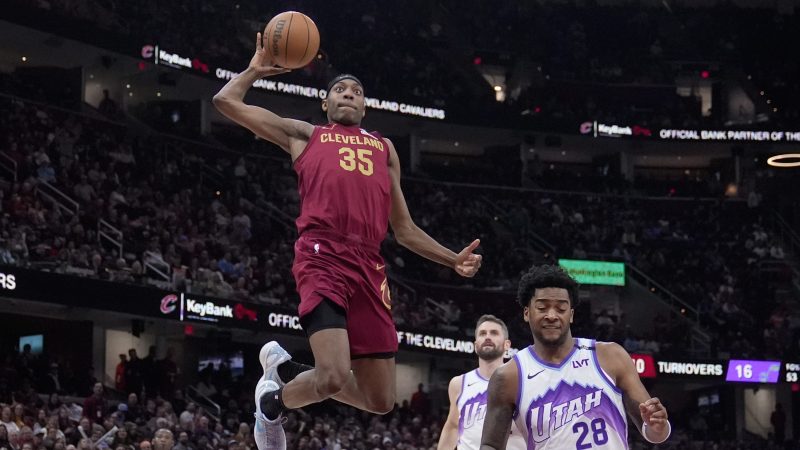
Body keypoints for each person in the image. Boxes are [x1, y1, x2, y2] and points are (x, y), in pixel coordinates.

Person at [213, 23, 483, 450]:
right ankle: (271, 406)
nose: (350, 94)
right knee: (335, 376)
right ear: (325, 103)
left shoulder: (384, 149)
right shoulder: (305, 136)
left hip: (369, 265)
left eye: (357, 92)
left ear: (365, 107)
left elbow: (405, 229)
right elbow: (225, 101)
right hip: (322, 255)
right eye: (341, 90)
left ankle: (284, 372)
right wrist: (255, 70)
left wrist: (452, 259)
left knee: (380, 400)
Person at [480, 264, 670, 449]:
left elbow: (653, 430)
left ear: (571, 315)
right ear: (527, 313)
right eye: (542, 308)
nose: (552, 315)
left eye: (561, 309)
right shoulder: (508, 377)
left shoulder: (611, 356)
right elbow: (490, 445)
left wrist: (659, 426)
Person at [437, 315, 524, 450]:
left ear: (507, 345)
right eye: (483, 334)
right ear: (476, 345)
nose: (487, 337)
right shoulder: (458, 383)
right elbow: (453, 426)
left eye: (494, 333)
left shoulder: (522, 383)